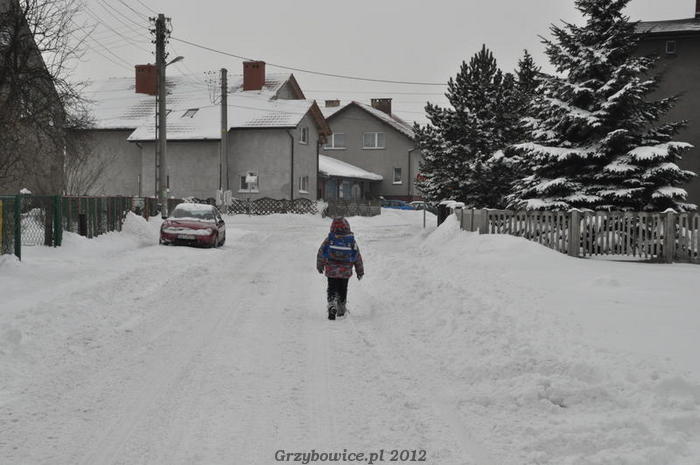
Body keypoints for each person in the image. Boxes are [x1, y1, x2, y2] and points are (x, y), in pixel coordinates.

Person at [316, 217, 364, 320]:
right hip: (345, 272)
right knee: (343, 289)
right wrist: (360, 271)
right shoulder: (351, 241)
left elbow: (321, 252)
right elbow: (357, 256)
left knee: (331, 288)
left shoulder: (330, 239)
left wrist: (320, 265)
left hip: (331, 271)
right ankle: (341, 310)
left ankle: (332, 305)